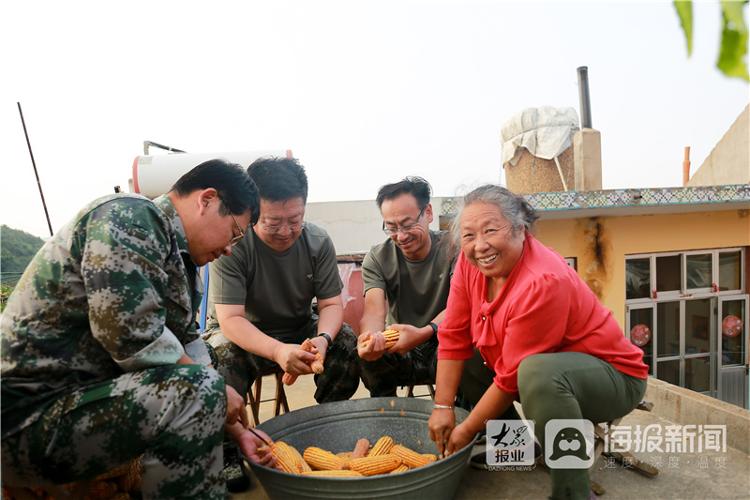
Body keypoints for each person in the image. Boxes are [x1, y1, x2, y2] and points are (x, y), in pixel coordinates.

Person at [1, 159, 274, 499]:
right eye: (235, 232)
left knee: (203, 384)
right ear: (207, 199)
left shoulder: (180, 262)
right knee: (198, 389)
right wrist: (216, 391)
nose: (231, 247)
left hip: (71, 409)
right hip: (25, 418)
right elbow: (131, 335)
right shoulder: (131, 217)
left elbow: (189, 349)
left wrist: (234, 428)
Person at [428, 185, 648, 500]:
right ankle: (518, 447)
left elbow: (510, 378)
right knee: (471, 359)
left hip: (612, 377)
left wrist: (465, 431)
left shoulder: (543, 281)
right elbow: (453, 332)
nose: (480, 246)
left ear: (521, 228)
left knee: (538, 373)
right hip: (534, 369)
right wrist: (442, 407)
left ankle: (573, 491)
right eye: (469, 235)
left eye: (491, 230)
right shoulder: (470, 263)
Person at [205, 156, 360, 407]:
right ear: (253, 212)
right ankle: (230, 440)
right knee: (220, 356)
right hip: (245, 334)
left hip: (297, 328)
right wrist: (277, 350)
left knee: (344, 340)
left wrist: (323, 338)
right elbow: (231, 319)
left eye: (295, 220)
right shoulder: (233, 244)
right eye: (273, 222)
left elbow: (330, 304)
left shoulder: (318, 242)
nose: (286, 231)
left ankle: (330, 420)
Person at [357, 177, 456, 397]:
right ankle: (388, 420)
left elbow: (463, 305)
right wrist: (371, 339)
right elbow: (373, 310)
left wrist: (424, 332)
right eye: (391, 227)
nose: (400, 236)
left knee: (472, 345)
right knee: (365, 357)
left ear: (428, 213)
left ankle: (465, 421)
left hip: (444, 341)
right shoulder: (377, 258)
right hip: (400, 346)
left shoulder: (455, 248)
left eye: (408, 224)